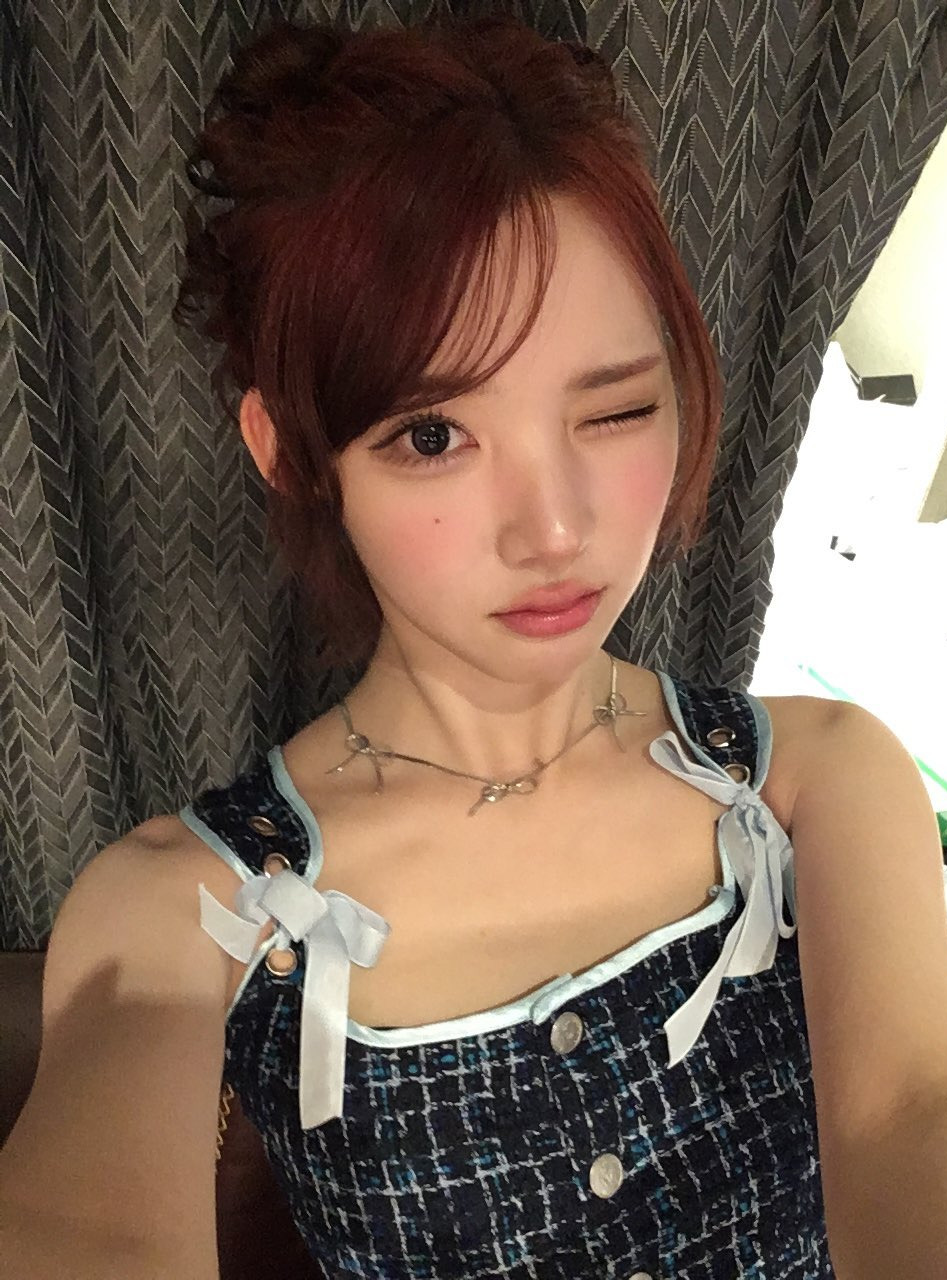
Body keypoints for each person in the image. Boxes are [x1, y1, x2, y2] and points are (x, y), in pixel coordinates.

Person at [0, 11, 833, 1279]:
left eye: (615, 411)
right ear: (291, 453)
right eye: (434, 437)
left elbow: (918, 1108)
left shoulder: (814, 782)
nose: (557, 530)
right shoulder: (187, 908)